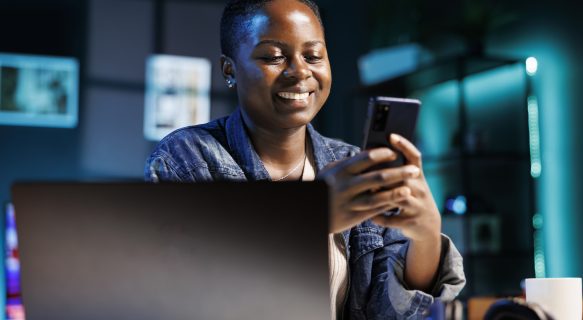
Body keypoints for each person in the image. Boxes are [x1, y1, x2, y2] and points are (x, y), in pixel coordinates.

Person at [145, 0, 465, 319]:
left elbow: (391, 313)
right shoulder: (185, 158)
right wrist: (309, 216)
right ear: (230, 69)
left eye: (313, 56)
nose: (300, 71)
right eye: (273, 57)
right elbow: (179, 296)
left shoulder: (353, 163)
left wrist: (425, 236)